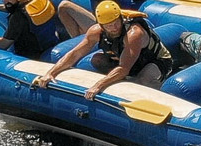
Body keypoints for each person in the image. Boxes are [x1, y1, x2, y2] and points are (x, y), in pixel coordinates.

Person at [33, 1, 174, 99]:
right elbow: (75, 53)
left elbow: (124, 68)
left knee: (143, 80)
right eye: (108, 25)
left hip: (155, 61)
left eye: (116, 23)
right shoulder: (96, 31)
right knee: (97, 60)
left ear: (121, 18)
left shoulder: (134, 34)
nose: (113, 28)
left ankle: (160, 90)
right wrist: (51, 72)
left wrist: (98, 85)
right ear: (101, 25)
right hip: (128, 60)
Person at [0, 0, 96, 58]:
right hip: (52, 42)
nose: (5, 1)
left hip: (37, 55)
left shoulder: (17, 18)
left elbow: (3, 44)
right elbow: (16, 7)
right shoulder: (38, 2)